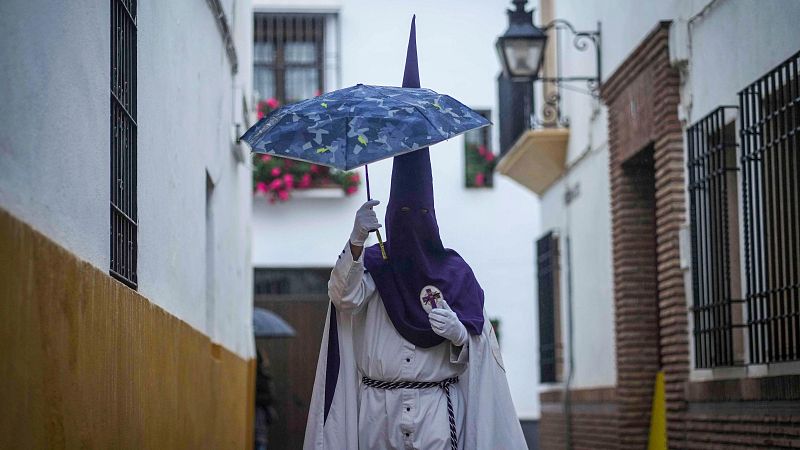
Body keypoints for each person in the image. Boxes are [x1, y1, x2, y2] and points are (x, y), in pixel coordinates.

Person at [303, 17, 527, 450]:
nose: (411, 221)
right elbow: (343, 297)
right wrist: (356, 242)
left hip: (434, 415)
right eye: (402, 213)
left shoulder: (455, 274)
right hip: (374, 412)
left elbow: (479, 354)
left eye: (418, 213)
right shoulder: (374, 267)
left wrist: (460, 336)